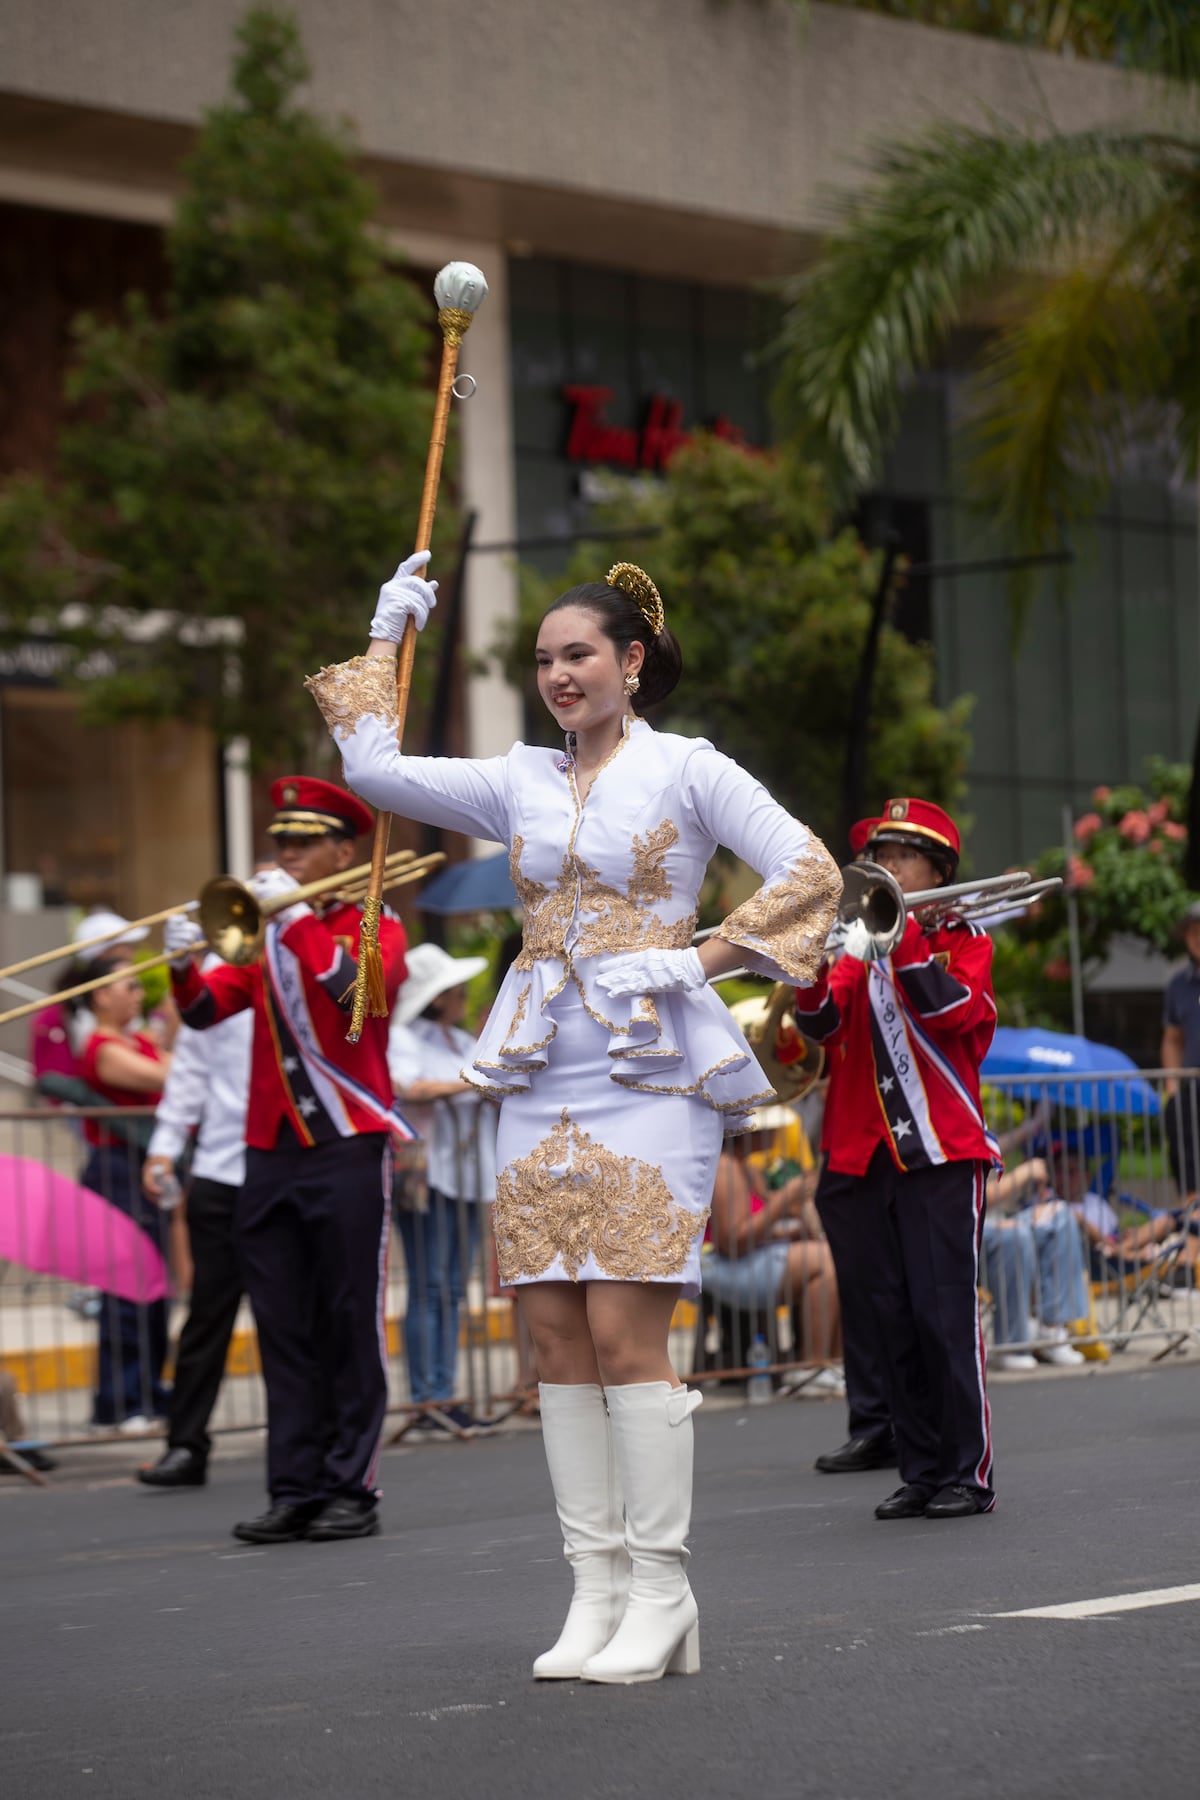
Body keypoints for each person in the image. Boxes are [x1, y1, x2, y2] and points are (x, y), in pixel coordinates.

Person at [306, 553, 840, 1683]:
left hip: (650, 1073)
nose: (559, 674)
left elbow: (809, 872)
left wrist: (693, 958)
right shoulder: (519, 781)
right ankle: (596, 1593)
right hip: (540, 1070)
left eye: (579, 654)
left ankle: (663, 1590)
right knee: (551, 1340)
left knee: (622, 1337)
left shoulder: (690, 769)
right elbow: (374, 770)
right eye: (545, 659)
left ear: (632, 663)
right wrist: (385, 630)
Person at [163, 778, 409, 1545]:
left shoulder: (377, 923)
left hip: (344, 1144)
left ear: (345, 850)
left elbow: (356, 995)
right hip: (268, 1152)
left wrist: (297, 915)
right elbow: (208, 1012)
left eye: (304, 843)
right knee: (283, 1326)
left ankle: (351, 1487)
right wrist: (178, 967)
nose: (287, 856)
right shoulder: (264, 934)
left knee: (347, 1317)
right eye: (282, 844)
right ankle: (295, 1485)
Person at [792, 797, 998, 1521]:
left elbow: (951, 1012)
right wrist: (807, 969)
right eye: (879, 852)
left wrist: (900, 934)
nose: (884, 864)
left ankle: (966, 1474)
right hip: (875, 1157)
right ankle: (919, 1468)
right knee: (892, 1321)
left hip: (942, 1152)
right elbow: (820, 1024)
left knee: (944, 1318)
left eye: (901, 855)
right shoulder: (859, 945)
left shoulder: (964, 940)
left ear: (936, 870)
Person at [136, 951, 255, 1488]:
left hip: (291, 1167)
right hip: (221, 1167)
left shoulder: (307, 953)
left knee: (299, 1314)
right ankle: (186, 1444)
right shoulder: (214, 977)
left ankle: (313, 1446)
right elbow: (188, 1072)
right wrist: (164, 1147)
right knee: (207, 1313)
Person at [387, 941, 498, 1437]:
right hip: (428, 1176)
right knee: (430, 1287)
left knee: (450, 1289)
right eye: (453, 990)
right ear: (436, 997)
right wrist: (472, 1082)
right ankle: (425, 1398)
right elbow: (409, 1087)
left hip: (464, 1176)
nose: (461, 996)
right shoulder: (405, 1038)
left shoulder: (454, 1041)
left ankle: (443, 1393)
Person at [69, 956, 172, 1432]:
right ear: (100, 996)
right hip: (114, 1170)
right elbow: (164, 1078)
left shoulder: (138, 1040)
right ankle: (120, 1399)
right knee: (125, 1290)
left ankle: (149, 1390)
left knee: (154, 1289)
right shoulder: (102, 1047)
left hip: (144, 1168)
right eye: (127, 986)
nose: (136, 994)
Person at [702, 1106, 842, 1385]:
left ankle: (831, 1364)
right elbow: (733, 1241)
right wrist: (782, 1201)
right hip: (721, 1266)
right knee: (825, 1261)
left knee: (832, 1257)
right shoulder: (726, 1168)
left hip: (743, 1260)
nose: (777, 1134)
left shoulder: (744, 1167)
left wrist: (788, 1230)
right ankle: (812, 1367)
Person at [980, 1156, 1089, 1371]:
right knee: (1014, 1235)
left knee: (1060, 1214)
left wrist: (1036, 1124)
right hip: (962, 1233)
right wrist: (1025, 1173)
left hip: (991, 1224)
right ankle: (1013, 1345)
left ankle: (1051, 1330)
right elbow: (971, 1199)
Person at [1160, 899, 1200, 1211]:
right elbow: (1173, 1039)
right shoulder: (1179, 985)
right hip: (1191, 1086)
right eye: (1192, 932)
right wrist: (1173, 1089)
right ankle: (1192, 1219)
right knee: (1185, 1155)